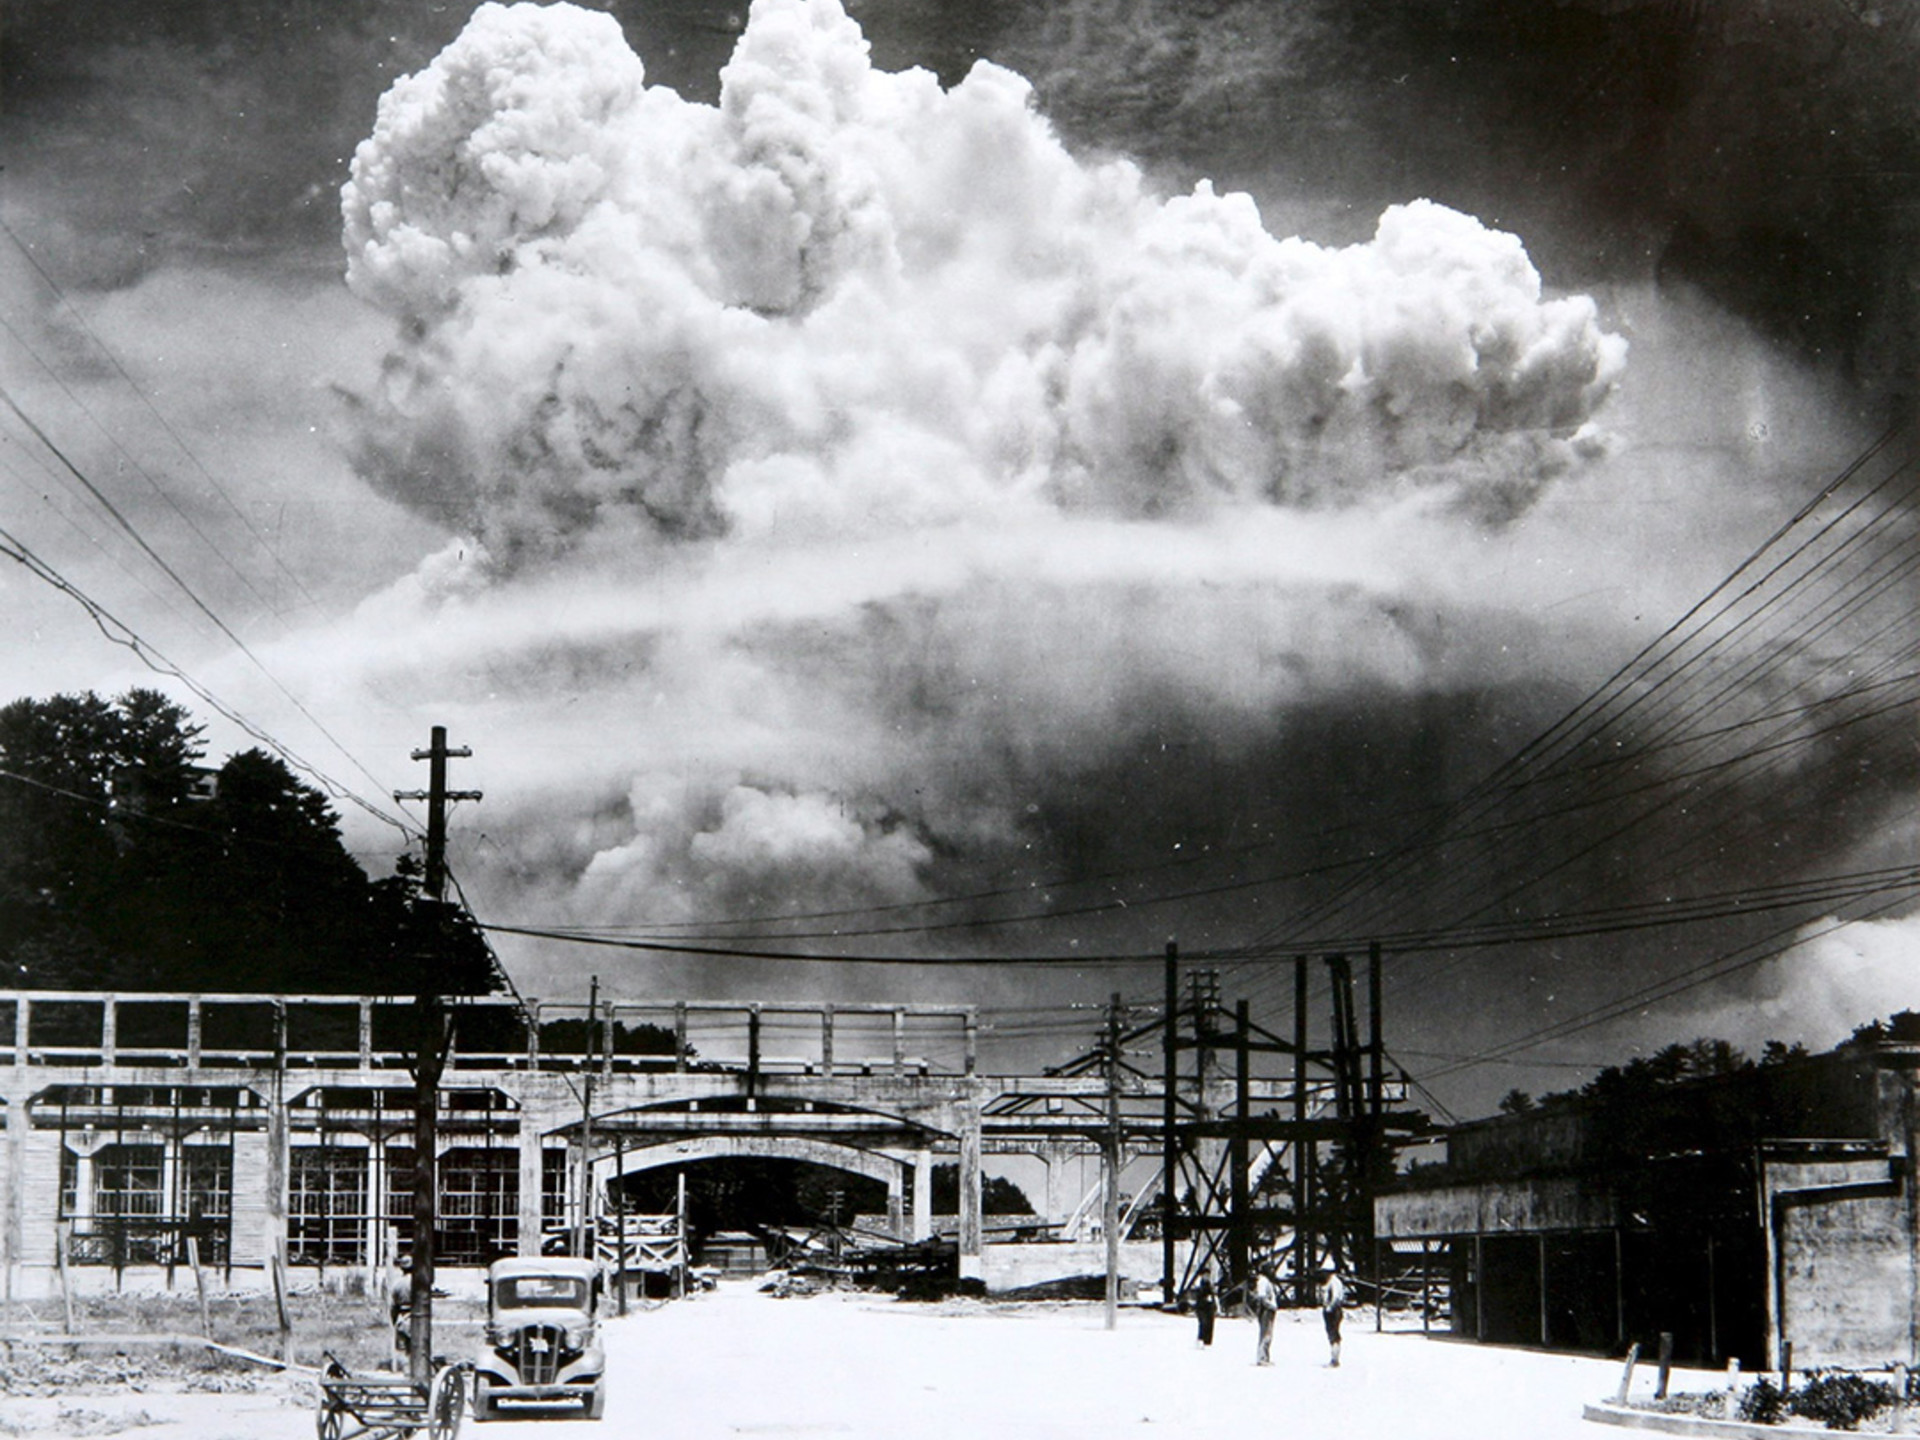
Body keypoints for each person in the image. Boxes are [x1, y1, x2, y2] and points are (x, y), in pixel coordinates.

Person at [1249, 1265, 1279, 1366]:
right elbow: (1262, 1298)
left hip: (1268, 1310)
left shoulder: (1266, 1281)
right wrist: (1271, 1306)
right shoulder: (1263, 1281)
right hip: (1266, 1310)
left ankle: (1265, 1357)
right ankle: (1261, 1358)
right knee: (1265, 1334)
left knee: (1268, 1334)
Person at [1320, 1261, 1347, 1367]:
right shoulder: (1329, 1281)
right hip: (1329, 1309)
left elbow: (1335, 1297)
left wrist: (1330, 1307)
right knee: (1331, 1334)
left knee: (1334, 1334)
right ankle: (1334, 1357)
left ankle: (1335, 1359)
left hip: (1333, 1310)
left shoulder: (1334, 1282)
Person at [1192, 1274, 1216, 1348]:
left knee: (1206, 1324)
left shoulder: (1207, 1289)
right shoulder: (1203, 1289)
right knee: (1204, 1324)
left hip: (1207, 1308)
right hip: (1204, 1309)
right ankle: (1203, 1340)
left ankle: (1206, 1341)